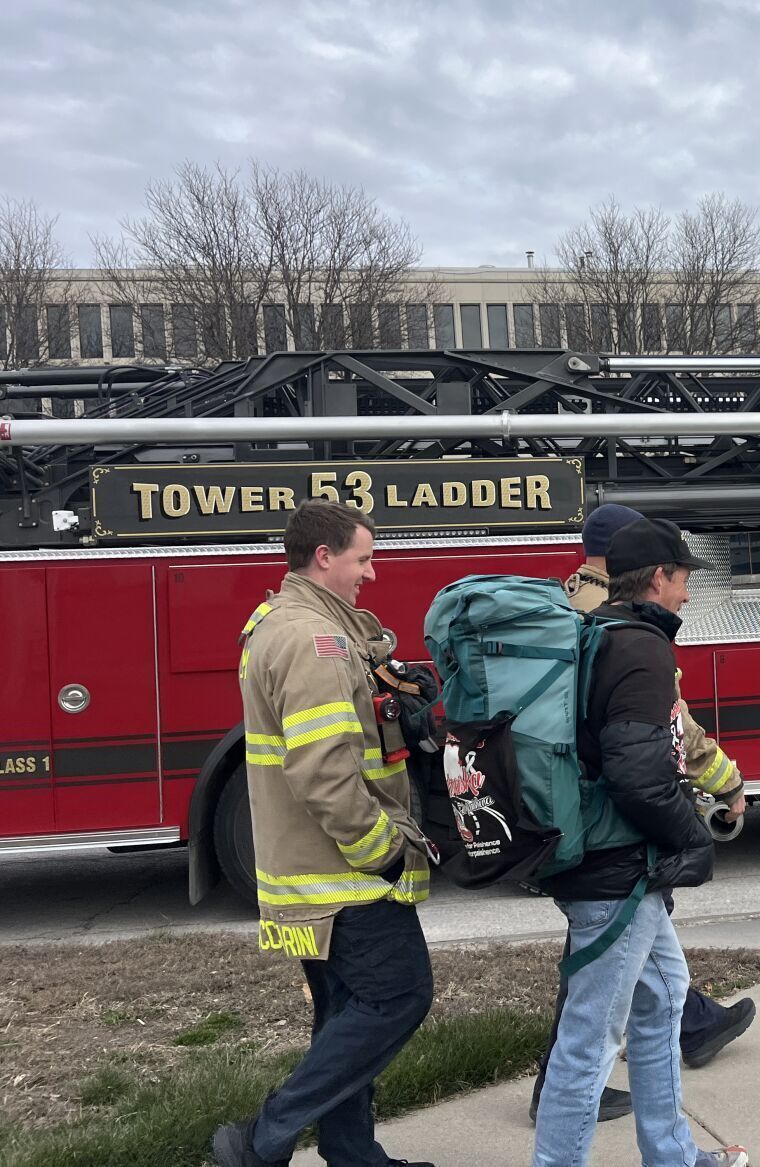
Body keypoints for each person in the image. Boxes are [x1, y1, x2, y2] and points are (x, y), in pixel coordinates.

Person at [214, 499, 435, 1167]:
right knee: (401, 994)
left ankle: (352, 1154)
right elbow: (324, 772)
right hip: (347, 877)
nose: (371, 572)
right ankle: (262, 1139)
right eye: (363, 557)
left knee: (345, 1014)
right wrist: (384, 853)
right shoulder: (315, 641)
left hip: (315, 876)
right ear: (324, 557)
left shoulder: (284, 624)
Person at [532, 516, 748, 1167]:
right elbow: (636, 772)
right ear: (660, 577)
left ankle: (673, 1155)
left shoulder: (599, 632)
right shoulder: (641, 648)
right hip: (614, 874)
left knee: (662, 996)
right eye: (683, 578)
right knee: (590, 1039)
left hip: (612, 866)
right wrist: (692, 841)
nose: (686, 592)